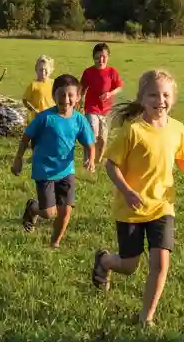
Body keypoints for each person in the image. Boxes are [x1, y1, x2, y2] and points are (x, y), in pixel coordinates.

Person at [91, 70, 184, 327]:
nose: (160, 100)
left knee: (160, 262)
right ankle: (104, 261)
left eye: (166, 94)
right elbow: (111, 165)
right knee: (129, 265)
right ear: (142, 98)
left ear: (173, 98)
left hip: (162, 206)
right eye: (153, 94)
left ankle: (147, 317)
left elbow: (183, 158)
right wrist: (127, 191)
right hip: (131, 208)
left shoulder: (178, 130)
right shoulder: (132, 131)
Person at [12, 73, 95, 248]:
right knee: (49, 213)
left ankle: (54, 244)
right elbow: (26, 136)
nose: (66, 99)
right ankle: (33, 208)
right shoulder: (45, 118)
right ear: (54, 96)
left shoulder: (79, 119)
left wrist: (91, 159)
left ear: (78, 97)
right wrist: (18, 158)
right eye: (61, 95)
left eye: (70, 95)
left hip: (66, 171)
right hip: (44, 170)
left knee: (65, 211)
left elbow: (89, 143)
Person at [80, 42, 123, 159]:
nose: (101, 60)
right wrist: (79, 100)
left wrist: (110, 93)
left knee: (103, 139)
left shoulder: (112, 72)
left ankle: (98, 159)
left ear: (108, 57)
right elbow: (82, 88)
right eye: (98, 57)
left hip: (106, 110)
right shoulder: (88, 72)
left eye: (103, 57)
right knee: (93, 134)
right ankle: (88, 159)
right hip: (91, 108)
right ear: (93, 58)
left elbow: (119, 87)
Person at [22, 55, 55, 121]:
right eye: (40, 70)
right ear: (36, 70)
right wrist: (34, 111)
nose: (43, 72)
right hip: (37, 119)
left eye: (45, 69)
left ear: (50, 70)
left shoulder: (54, 83)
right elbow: (25, 100)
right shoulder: (33, 85)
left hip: (51, 118)